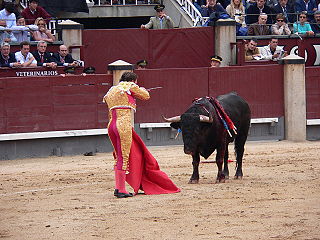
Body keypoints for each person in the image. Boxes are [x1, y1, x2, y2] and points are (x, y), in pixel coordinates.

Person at [103, 72, 180, 198]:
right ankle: (121, 190)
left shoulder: (112, 90)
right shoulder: (130, 86)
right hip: (123, 125)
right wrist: (140, 89)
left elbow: (107, 100)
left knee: (118, 156)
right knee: (124, 156)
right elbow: (146, 96)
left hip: (111, 125)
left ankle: (118, 187)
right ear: (133, 80)